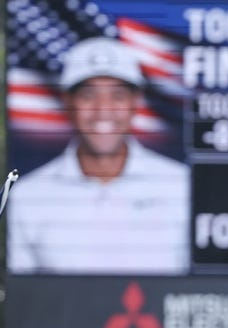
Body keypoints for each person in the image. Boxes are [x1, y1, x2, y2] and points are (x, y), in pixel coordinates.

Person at [8, 37, 189, 274]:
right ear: (67, 102)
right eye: (88, 95)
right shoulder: (27, 197)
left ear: (136, 103)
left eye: (117, 95)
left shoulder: (182, 186)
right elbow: (23, 302)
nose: (103, 109)